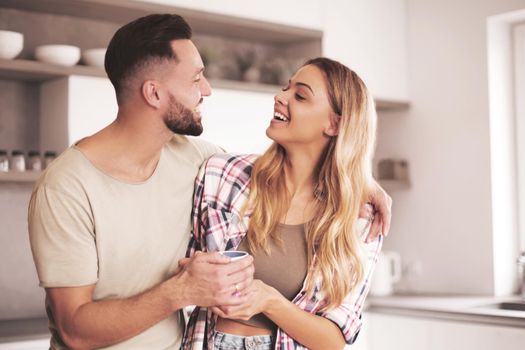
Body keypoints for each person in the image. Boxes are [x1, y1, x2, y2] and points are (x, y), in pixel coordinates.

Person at [27, 14, 391, 349]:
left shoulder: (197, 160)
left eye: (300, 94)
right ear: (154, 93)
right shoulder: (66, 186)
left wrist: (359, 183)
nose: (208, 89)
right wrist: (182, 291)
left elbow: (300, 170)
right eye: (196, 78)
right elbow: (74, 329)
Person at [183, 57, 382, 350]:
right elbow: (182, 271)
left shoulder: (359, 220)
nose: (280, 97)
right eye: (286, 88)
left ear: (334, 124)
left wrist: (269, 301)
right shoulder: (222, 174)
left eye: (300, 96)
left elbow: (334, 340)